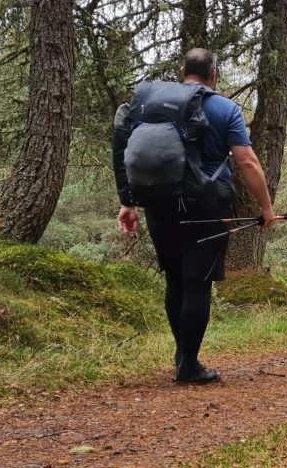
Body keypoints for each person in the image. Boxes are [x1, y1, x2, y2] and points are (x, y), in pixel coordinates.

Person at [113, 48, 275, 383]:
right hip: (206, 207)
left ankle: (183, 354)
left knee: (174, 279)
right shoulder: (224, 108)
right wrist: (265, 207)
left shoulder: (152, 107)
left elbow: (124, 147)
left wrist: (127, 202)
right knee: (197, 281)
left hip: (160, 201)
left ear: (182, 71)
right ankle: (188, 364)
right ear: (213, 75)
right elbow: (246, 161)